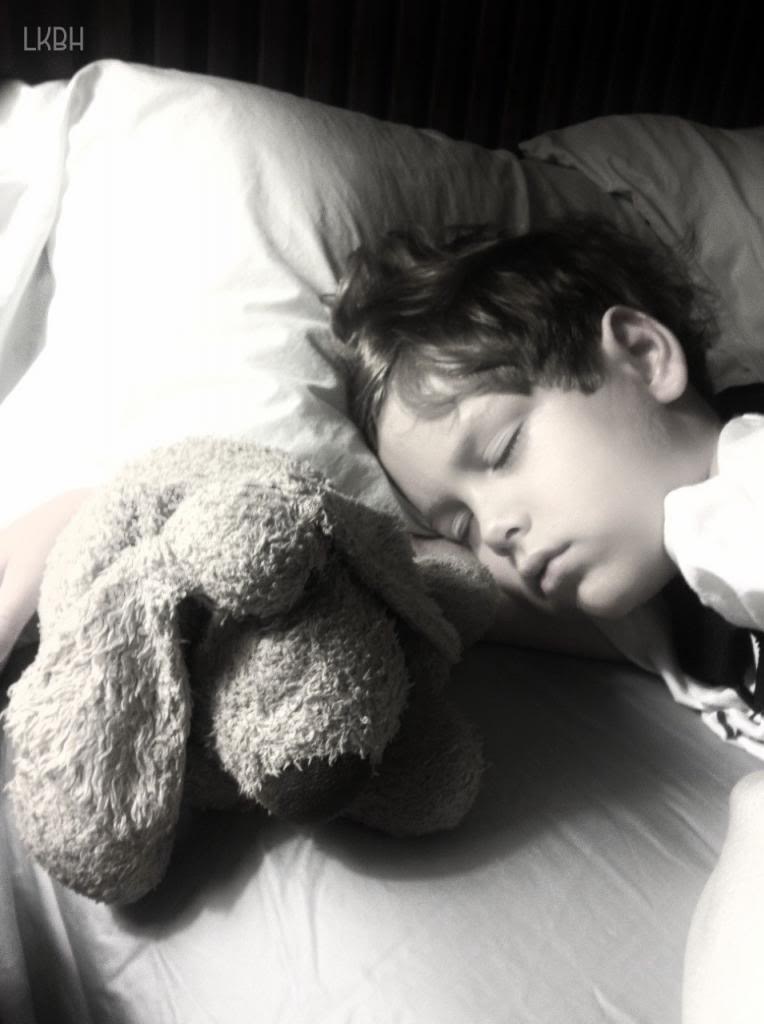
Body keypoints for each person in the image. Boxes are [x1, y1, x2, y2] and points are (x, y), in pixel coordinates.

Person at [330, 215, 764, 739]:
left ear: (643, 358)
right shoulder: (660, 601)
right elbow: (451, 591)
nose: (494, 531)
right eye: (462, 526)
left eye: (502, 450)